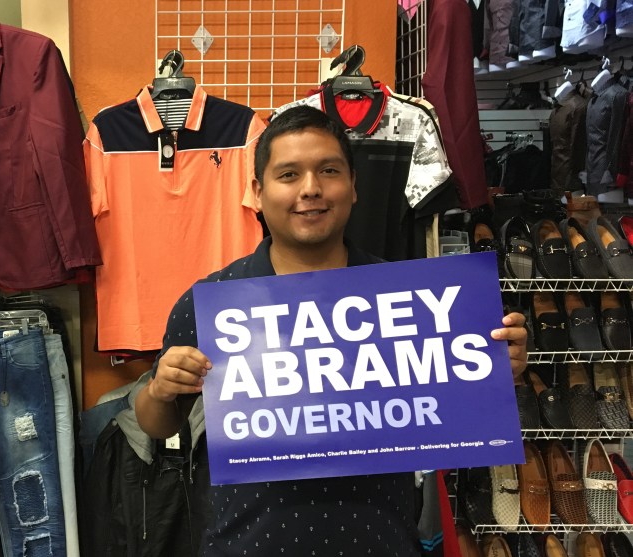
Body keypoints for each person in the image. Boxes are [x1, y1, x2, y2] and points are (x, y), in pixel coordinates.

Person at [135, 105, 528, 555]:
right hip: (248, 544)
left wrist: (497, 368)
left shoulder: (412, 301)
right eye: (288, 175)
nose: (311, 189)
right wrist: (160, 391)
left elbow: (460, 414)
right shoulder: (212, 302)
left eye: (328, 171)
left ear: (353, 186)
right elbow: (157, 423)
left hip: (382, 544)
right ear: (258, 193)